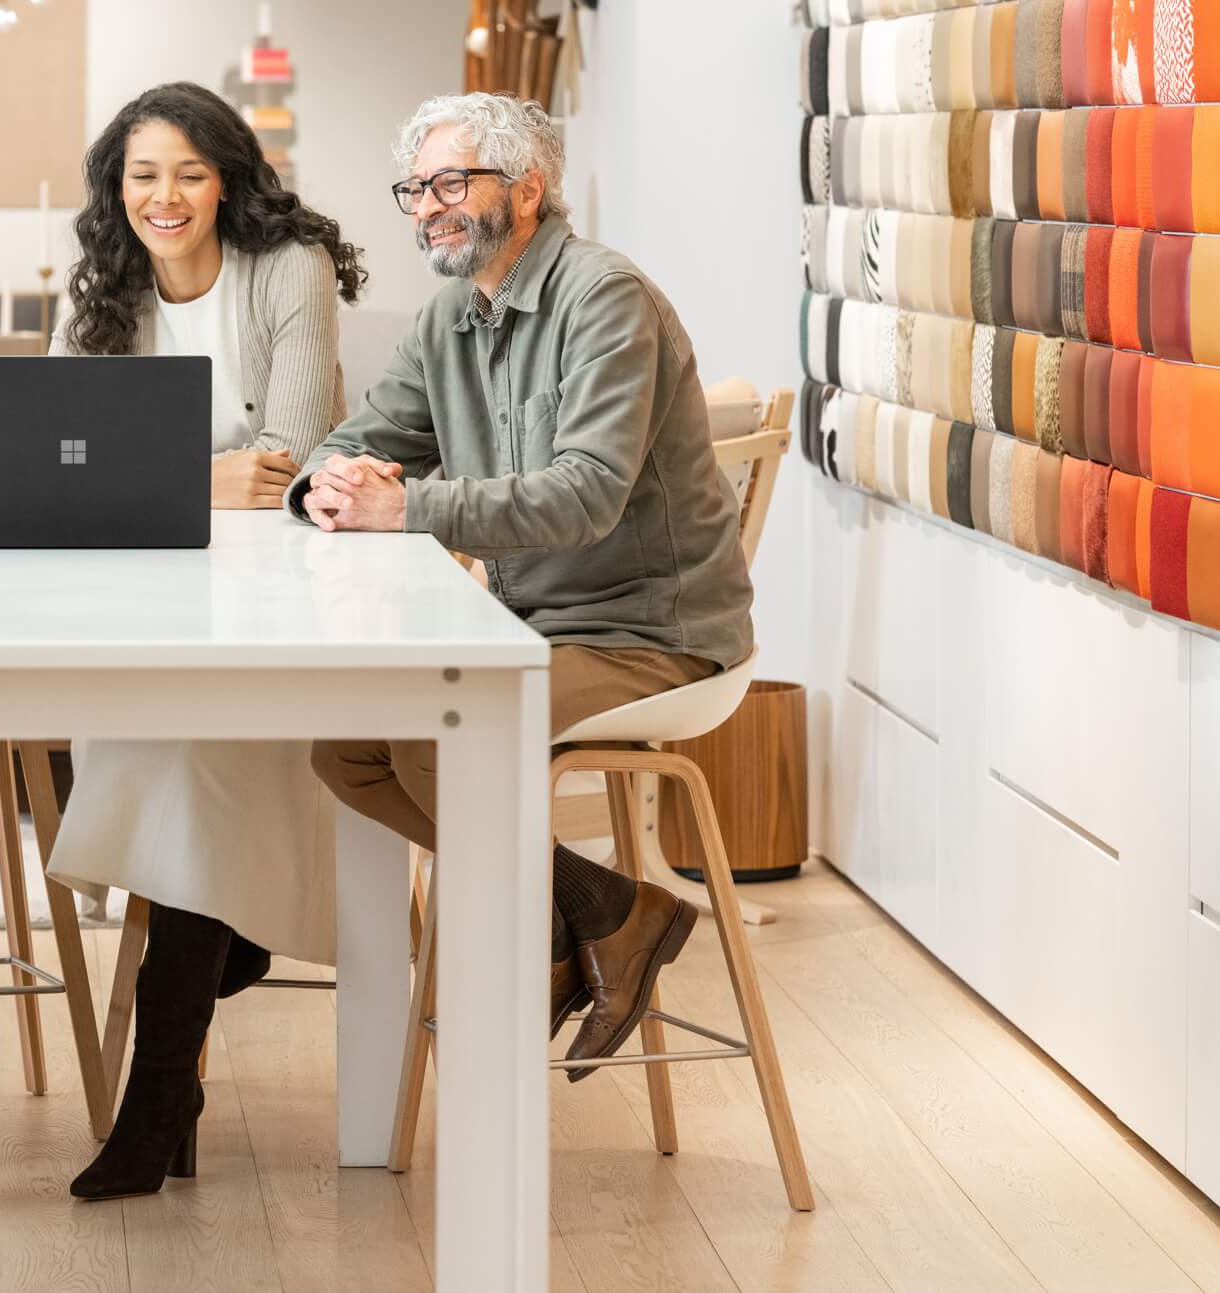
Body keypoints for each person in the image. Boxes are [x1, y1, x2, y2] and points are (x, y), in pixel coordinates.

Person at [295, 92, 754, 1083]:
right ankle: (610, 913)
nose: (425, 206)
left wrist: (403, 507)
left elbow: (584, 497)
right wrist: (322, 486)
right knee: (345, 748)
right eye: (414, 189)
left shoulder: (604, 298)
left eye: (449, 182)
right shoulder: (444, 321)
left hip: (650, 631)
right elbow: (350, 444)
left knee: (436, 737)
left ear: (529, 188)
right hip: (523, 624)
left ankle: (548, 947)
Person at [41, 81, 367, 1202]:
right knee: (162, 747)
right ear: (115, 189)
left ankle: (154, 1099)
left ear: (225, 178)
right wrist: (197, 481)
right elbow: (50, 469)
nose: (162, 196)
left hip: (280, 604)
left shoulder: (288, 268)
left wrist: (147, 483)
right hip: (142, 604)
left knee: (194, 754)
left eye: (186, 171)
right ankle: (216, 966)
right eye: (141, 174)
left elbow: (290, 460)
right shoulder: (100, 287)